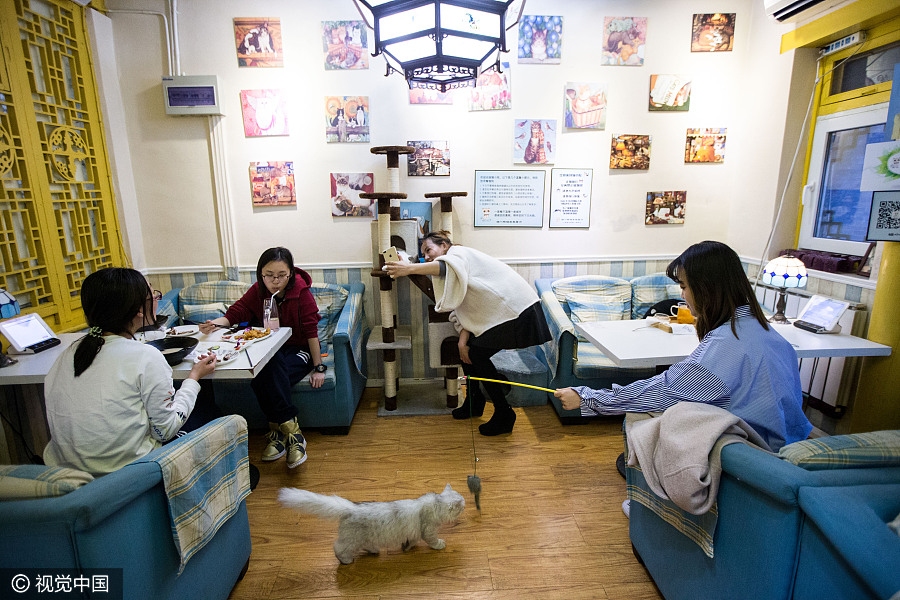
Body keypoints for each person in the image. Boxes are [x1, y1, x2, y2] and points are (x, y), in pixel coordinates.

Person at [554, 240, 812, 452]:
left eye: (684, 286)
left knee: (647, 418)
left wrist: (587, 398)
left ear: (706, 289)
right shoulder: (768, 334)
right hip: (789, 443)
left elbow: (663, 390)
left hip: (752, 453)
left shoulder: (724, 346)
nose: (682, 295)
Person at [43, 267, 219, 476]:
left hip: (64, 474)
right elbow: (165, 430)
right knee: (205, 412)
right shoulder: (145, 356)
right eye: (153, 295)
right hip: (126, 475)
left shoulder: (69, 353)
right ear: (138, 310)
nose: (156, 299)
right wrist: (194, 377)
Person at [384, 231, 551, 436]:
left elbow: (444, 266)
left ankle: (504, 413)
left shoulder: (458, 254)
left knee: (478, 355)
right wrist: (463, 342)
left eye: (429, 250)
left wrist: (409, 268)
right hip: (506, 313)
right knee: (470, 352)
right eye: (423, 254)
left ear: (445, 245)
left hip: (518, 311)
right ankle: (475, 402)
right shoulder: (453, 274)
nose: (427, 257)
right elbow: (461, 311)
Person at [199, 247, 324, 468]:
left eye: (281, 275)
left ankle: (277, 432)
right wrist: (215, 324)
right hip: (269, 350)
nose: (275, 281)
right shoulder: (258, 291)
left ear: (290, 274)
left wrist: (318, 367)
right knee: (264, 366)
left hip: (298, 349)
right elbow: (236, 313)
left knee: (265, 373)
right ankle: (291, 433)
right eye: (269, 275)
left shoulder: (301, 293)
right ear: (260, 274)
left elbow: (311, 332)